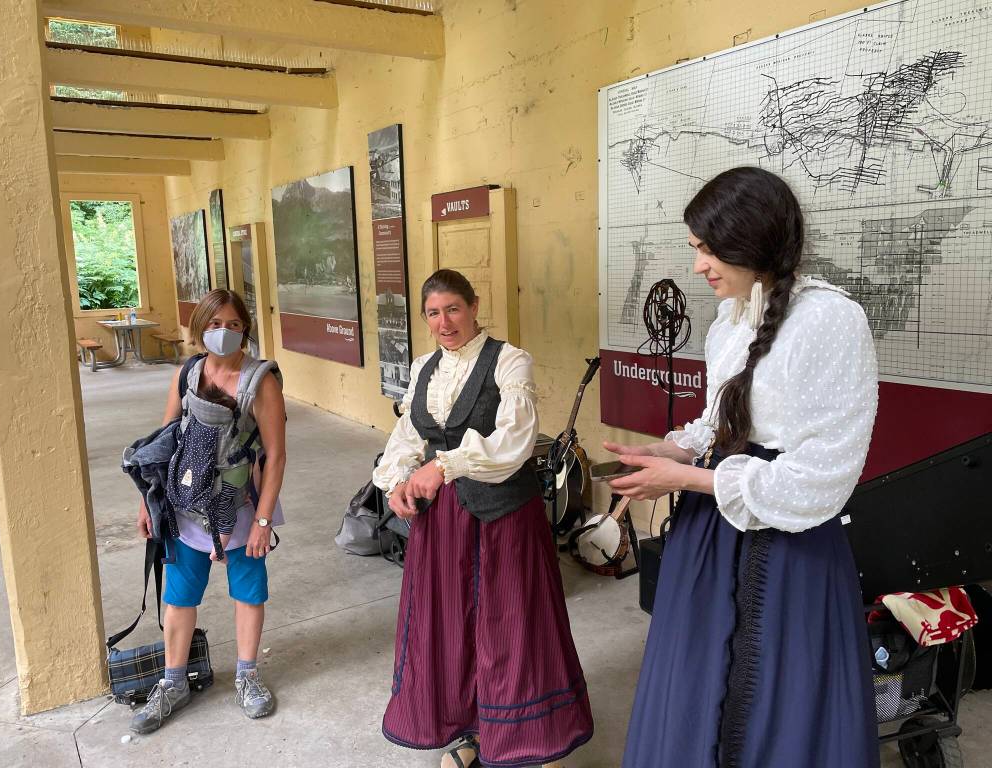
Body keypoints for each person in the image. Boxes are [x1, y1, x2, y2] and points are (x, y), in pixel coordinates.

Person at [608, 167, 880, 767]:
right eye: (696, 249)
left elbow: (823, 476)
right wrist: (672, 450)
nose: (700, 265)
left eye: (709, 248)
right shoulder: (727, 323)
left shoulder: (833, 321)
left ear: (750, 240)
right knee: (696, 690)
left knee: (774, 706)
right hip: (711, 541)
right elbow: (719, 422)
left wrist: (687, 479)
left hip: (789, 553)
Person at [373, 269, 593, 768]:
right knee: (451, 626)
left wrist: (444, 465)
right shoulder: (424, 366)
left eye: (453, 309)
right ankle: (468, 733)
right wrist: (395, 484)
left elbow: (514, 442)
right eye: (433, 312)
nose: (444, 321)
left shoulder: (510, 361)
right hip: (443, 521)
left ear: (474, 307)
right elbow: (408, 436)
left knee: (513, 624)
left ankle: (535, 739)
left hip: (503, 518)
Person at [131, 289, 287, 734]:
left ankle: (247, 675)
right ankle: (174, 682)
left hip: (242, 507)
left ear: (245, 330)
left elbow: (275, 456)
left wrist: (262, 521)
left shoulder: (261, 381)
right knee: (178, 596)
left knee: (248, 591)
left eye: (234, 325)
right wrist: (148, 500)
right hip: (185, 508)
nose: (224, 333)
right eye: (215, 324)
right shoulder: (188, 373)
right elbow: (163, 443)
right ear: (200, 328)